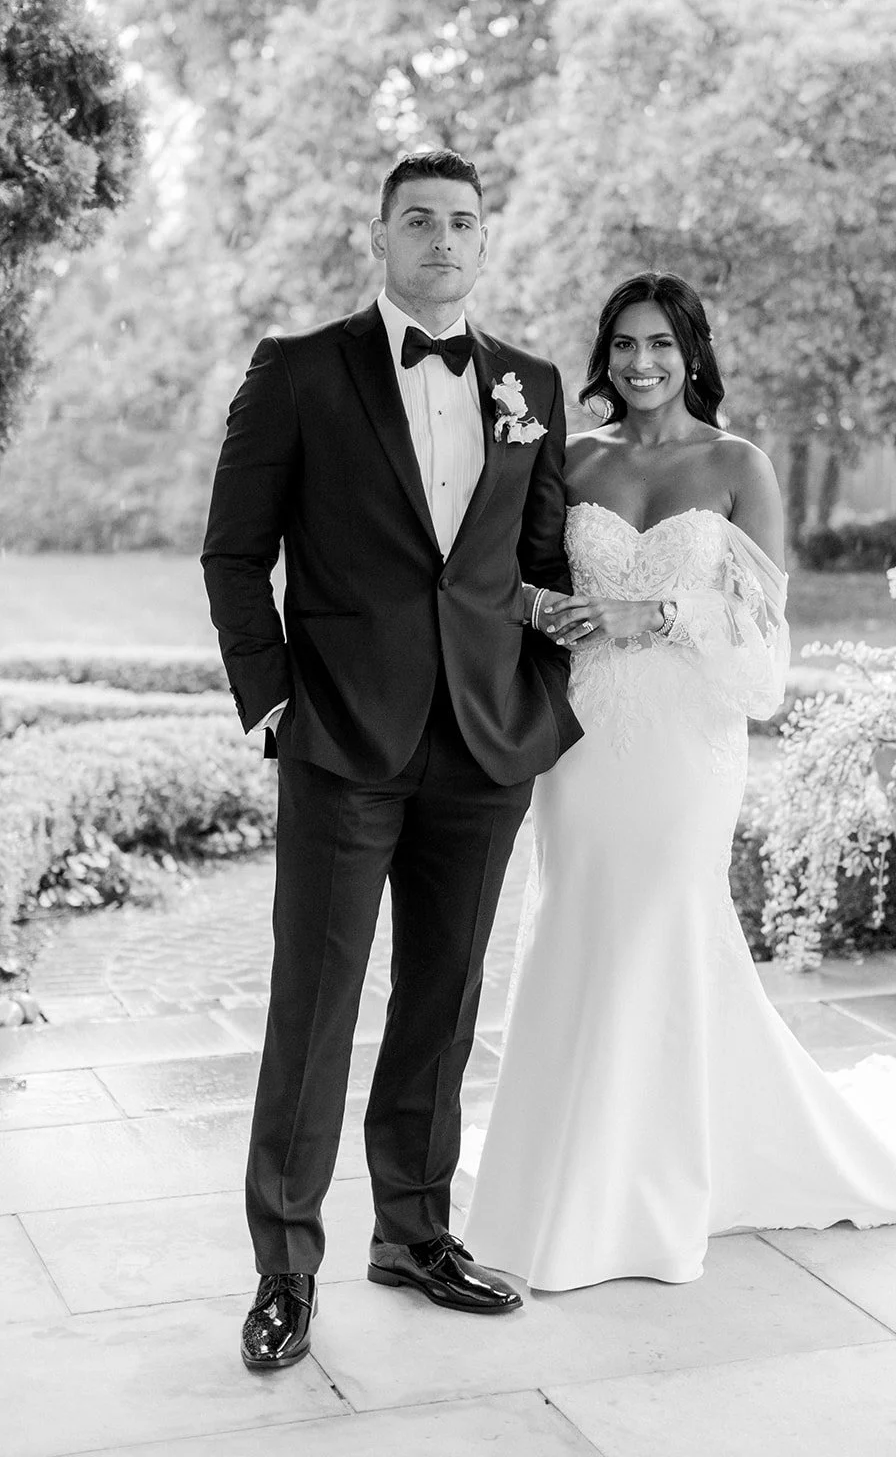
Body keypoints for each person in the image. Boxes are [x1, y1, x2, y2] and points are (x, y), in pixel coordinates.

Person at [461, 271, 896, 1292]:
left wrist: (656, 616)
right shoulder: (571, 460)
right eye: (623, 344)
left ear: (693, 354)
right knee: (576, 918)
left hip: (685, 741)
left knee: (662, 928)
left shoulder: (738, 466)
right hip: (581, 740)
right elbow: (512, 581)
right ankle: (560, 1171)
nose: (641, 363)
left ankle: (650, 1193)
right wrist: (546, 607)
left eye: (660, 344)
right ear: (603, 357)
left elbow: (764, 651)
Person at [202, 147, 581, 1368]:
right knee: (313, 1006)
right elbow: (232, 553)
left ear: (485, 240)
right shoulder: (298, 372)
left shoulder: (530, 381)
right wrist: (273, 704)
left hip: (483, 745)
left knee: (444, 997)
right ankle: (285, 1268)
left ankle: (414, 1232)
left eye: (462, 223)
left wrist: (537, 688)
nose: (442, 241)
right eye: (417, 221)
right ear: (379, 238)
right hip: (340, 742)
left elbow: (540, 559)